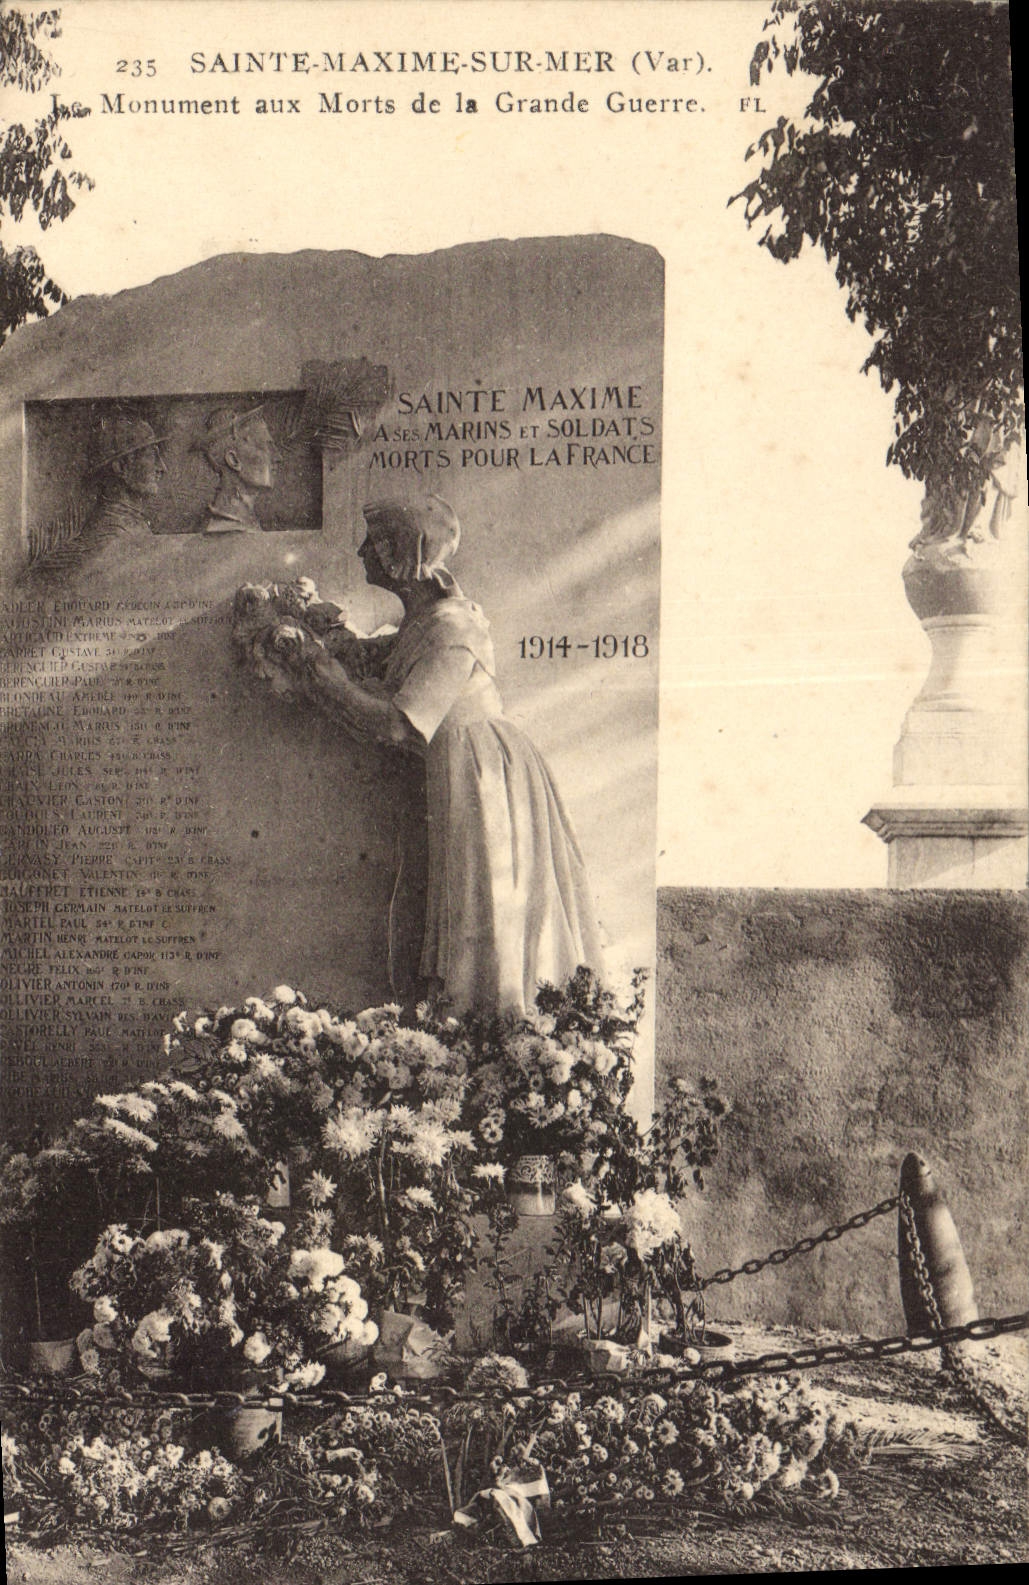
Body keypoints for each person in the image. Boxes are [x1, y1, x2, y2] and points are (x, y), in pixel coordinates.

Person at [303, 495, 604, 1016]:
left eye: (371, 543)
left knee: (481, 905)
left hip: (476, 772)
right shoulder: (425, 620)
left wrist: (324, 676)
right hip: (450, 769)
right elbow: (386, 673)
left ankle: (493, 1030)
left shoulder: (451, 626)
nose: (359, 552)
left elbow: (397, 724)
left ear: (401, 555)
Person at [25, 410, 167, 585]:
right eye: (152, 455)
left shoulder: (132, 529)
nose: (162, 467)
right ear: (121, 467)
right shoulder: (109, 542)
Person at [197, 405, 279, 534]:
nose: (278, 457)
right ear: (234, 461)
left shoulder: (246, 521)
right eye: (267, 447)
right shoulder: (222, 527)